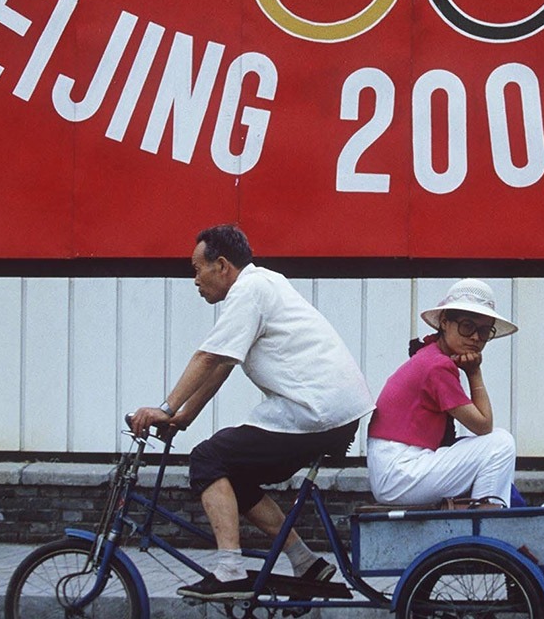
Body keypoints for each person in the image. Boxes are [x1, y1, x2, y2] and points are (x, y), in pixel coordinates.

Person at [130, 224, 373, 600]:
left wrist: (164, 408)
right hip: (328, 411)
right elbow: (223, 364)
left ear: (222, 265)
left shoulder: (249, 290)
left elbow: (208, 356)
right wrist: (182, 419)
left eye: (197, 269)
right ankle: (307, 562)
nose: (194, 280)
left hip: (316, 411)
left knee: (208, 459)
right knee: (232, 473)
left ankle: (229, 569)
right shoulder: (262, 284)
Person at [366, 278, 518, 508]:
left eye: (485, 331)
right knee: (501, 443)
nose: (476, 337)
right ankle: (486, 524)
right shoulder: (437, 366)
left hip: (398, 471)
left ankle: (482, 518)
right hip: (400, 472)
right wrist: (474, 372)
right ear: (445, 323)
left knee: (490, 445)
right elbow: (483, 425)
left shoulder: (431, 355)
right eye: (468, 326)